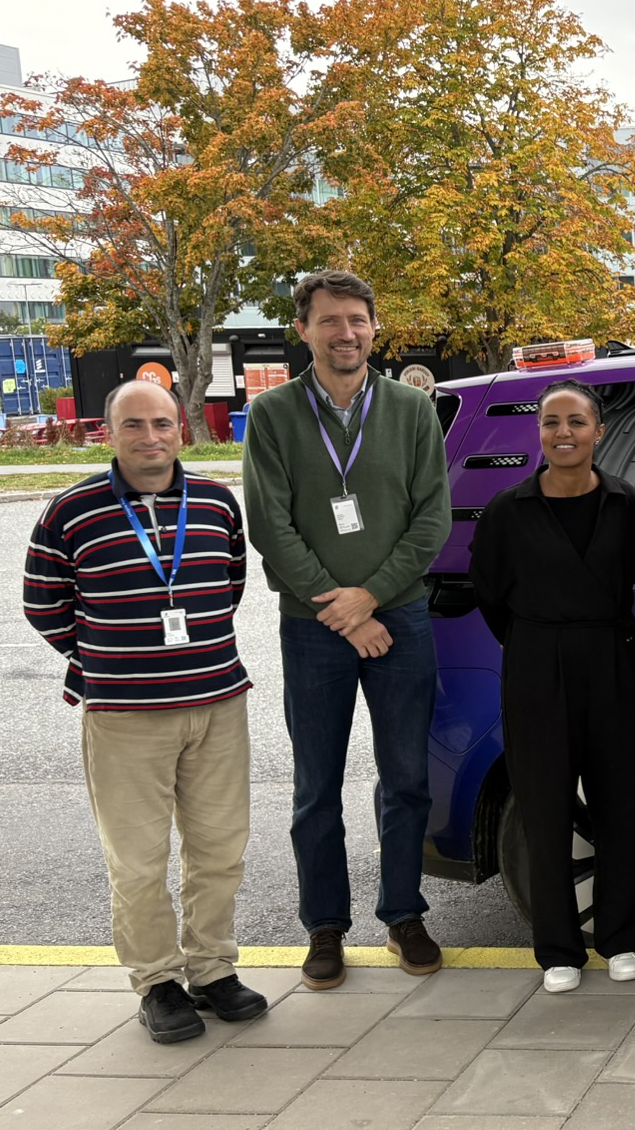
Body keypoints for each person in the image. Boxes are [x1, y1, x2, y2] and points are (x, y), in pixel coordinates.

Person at [23, 379, 268, 1043]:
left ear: (181, 429)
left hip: (217, 705)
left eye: (162, 423)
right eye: (135, 425)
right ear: (110, 431)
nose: (151, 437)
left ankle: (212, 968)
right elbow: (44, 604)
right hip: (125, 715)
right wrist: (108, 658)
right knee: (137, 860)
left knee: (220, 849)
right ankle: (157, 981)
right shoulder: (70, 512)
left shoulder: (217, 503)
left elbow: (229, 587)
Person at [243, 270, 452, 991]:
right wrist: (338, 607)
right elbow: (271, 524)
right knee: (315, 787)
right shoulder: (271, 415)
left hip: (400, 618)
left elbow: (432, 520)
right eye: (330, 321)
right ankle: (324, 928)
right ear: (303, 329)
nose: (346, 333)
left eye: (358, 319)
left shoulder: (411, 409)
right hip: (313, 627)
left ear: (375, 326)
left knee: (407, 779)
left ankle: (403, 915)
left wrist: (371, 597)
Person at [471, 379, 635, 993]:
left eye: (576, 422)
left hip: (613, 657)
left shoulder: (628, 504)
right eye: (551, 422)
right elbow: (491, 595)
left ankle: (624, 938)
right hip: (536, 663)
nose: (563, 433)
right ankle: (557, 948)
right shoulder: (508, 508)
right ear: (540, 433)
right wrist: (536, 644)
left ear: (599, 432)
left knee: (622, 803)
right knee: (544, 807)